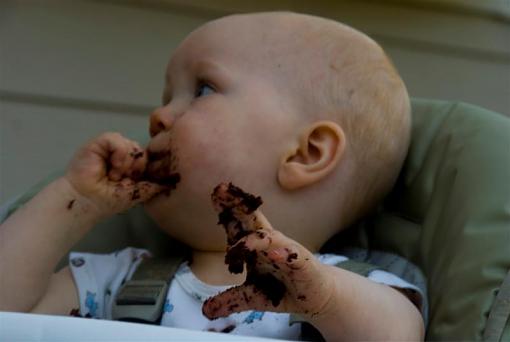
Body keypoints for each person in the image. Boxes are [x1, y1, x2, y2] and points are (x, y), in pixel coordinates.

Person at [0, 12, 425, 340]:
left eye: (202, 89)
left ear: (307, 154)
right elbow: (8, 316)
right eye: (167, 97)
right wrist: (74, 200)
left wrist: (326, 299)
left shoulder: (355, 293)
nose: (158, 116)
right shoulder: (115, 281)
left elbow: (398, 335)